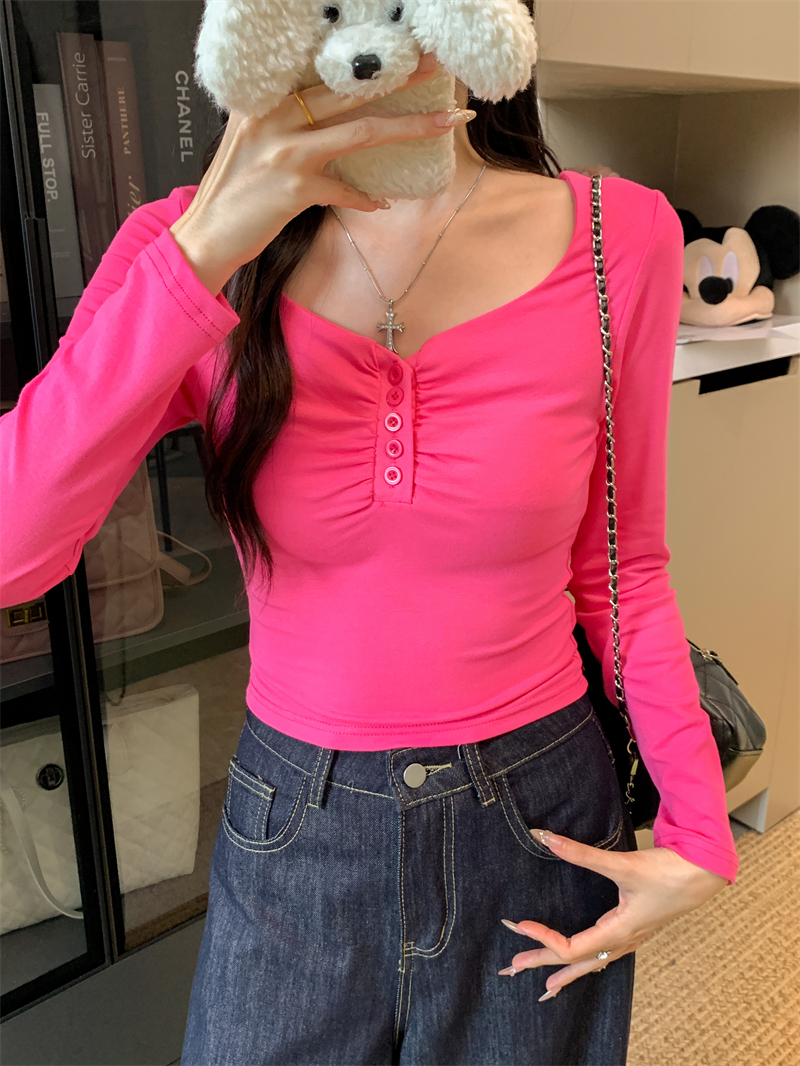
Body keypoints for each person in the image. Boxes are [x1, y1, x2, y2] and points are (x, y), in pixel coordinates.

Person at [0, 24, 739, 1066]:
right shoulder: (186, 245)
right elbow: (13, 547)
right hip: (291, 821)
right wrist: (206, 246)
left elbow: (621, 570)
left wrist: (698, 828)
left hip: (536, 816)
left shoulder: (622, 235)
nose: (370, 38)